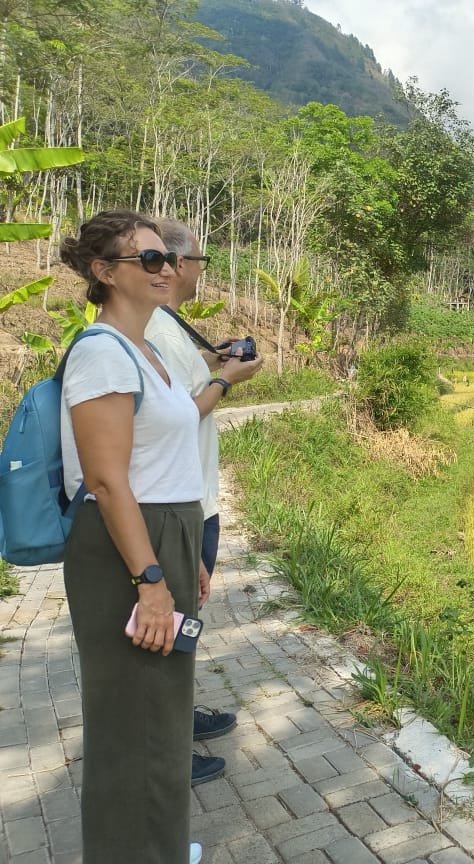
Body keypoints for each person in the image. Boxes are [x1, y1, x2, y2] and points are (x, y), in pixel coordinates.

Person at [59, 210, 205, 863]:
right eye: (148, 259)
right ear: (105, 272)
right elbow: (107, 480)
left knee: (162, 714)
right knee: (132, 721)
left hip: (164, 538)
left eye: (167, 258)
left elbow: (163, 461)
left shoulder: (146, 349)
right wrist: (150, 581)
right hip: (129, 548)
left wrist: (186, 559)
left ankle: (160, 848)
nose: (166, 268)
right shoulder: (101, 352)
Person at [146, 218, 264, 785]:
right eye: (199, 260)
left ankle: (178, 718)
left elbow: (181, 389)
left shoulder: (167, 325)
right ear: (172, 264)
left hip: (193, 497)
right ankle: (164, 749)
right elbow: (174, 416)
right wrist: (229, 379)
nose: (199, 270)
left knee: (185, 620)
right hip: (181, 500)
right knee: (171, 622)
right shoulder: (155, 329)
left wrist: (214, 363)